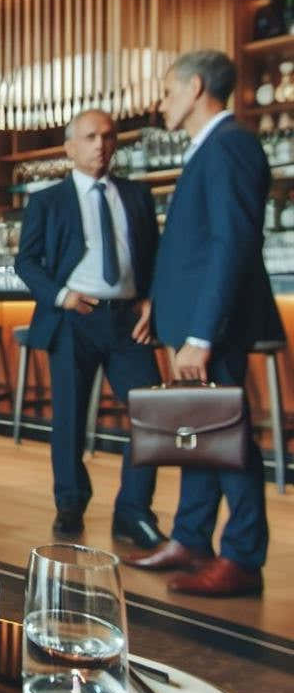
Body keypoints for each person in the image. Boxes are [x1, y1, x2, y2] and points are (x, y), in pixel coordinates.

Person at [128, 50, 283, 597]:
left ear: (196, 88)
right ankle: (191, 537)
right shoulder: (209, 148)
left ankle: (242, 556)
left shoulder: (231, 145)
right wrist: (160, 306)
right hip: (190, 320)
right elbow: (193, 251)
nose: (162, 102)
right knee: (200, 432)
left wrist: (199, 335)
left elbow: (230, 245)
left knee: (228, 435)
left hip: (211, 328)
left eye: (168, 91)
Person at [15, 109, 165, 549]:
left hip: (127, 321)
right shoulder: (47, 200)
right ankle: (71, 503)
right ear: (70, 147)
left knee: (152, 413)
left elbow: (154, 259)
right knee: (70, 420)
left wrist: (151, 303)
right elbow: (26, 261)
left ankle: (134, 511)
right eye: (90, 137)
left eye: (107, 136)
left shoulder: (137, 196)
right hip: (71, 317)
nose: (101, 144)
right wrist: (62, 295)